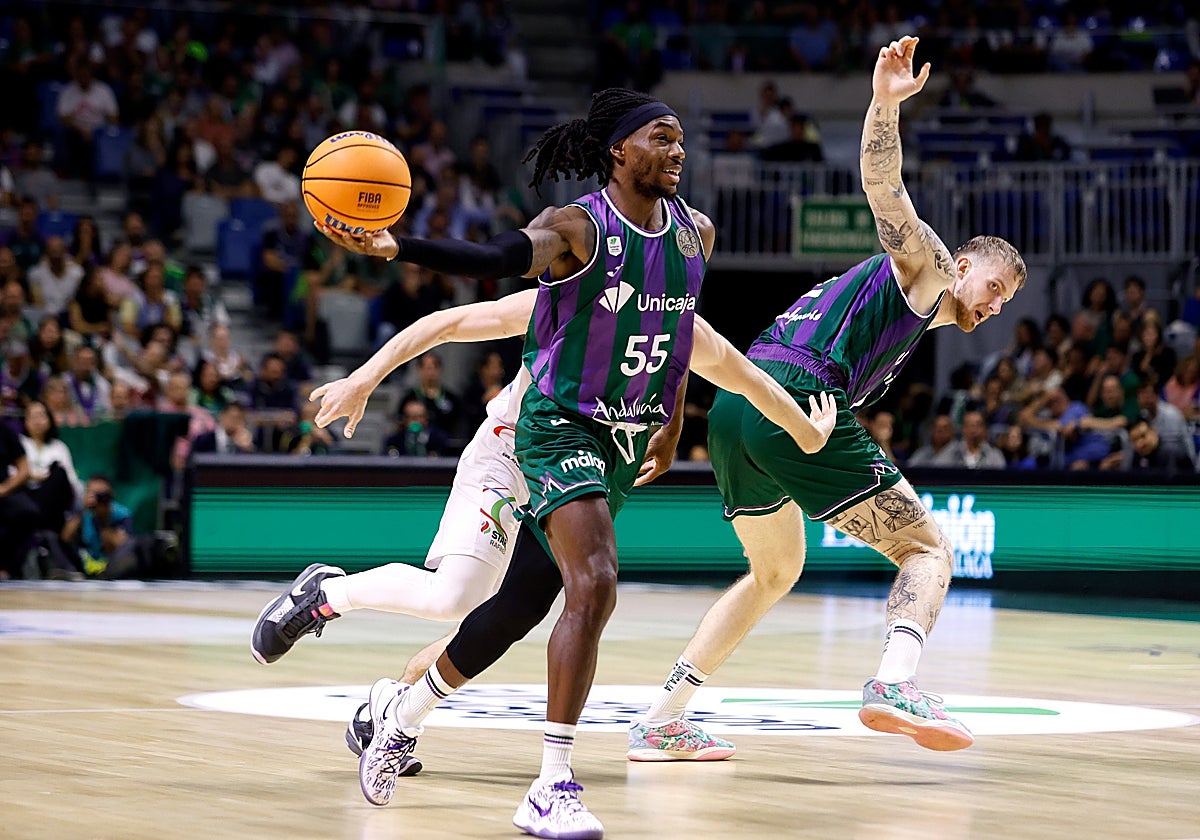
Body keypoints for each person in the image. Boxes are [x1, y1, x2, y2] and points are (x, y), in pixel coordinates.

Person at [251, 88, 837, 839]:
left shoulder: (693, 238)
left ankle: (399, 712)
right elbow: (475, 285)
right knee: (495, 593)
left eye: (680, 137)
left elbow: (690, 343)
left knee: (514, 611)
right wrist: (396, 271)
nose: (679, 149)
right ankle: (543, 776)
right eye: (662, 137)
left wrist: (675, 422)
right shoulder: (573, 246)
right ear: (619, 150)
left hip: (611, 450)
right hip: (533, 438)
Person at [628, 36, 1024, 761]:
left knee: (775, 571)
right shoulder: (931, 266)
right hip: (798, 398)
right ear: (963, 264)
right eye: (992, 288)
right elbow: (884, 187)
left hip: (738, 403)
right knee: (928, 549)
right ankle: (895, 683)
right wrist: (884, 104)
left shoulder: (906, 308)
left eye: (1004, 303)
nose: (993, 306)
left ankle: (662, 719)